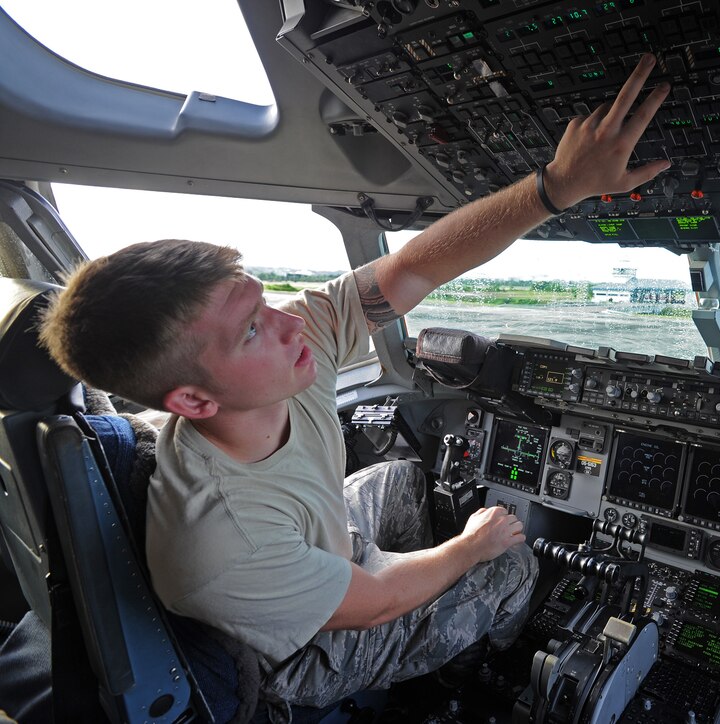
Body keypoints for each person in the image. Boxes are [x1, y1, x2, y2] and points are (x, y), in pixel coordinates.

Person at [37, 55, 672, 713]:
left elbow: (409, 271)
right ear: (193, 402)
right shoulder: (222, 545)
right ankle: (483, 672)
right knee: (509, 568)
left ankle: (456, 618)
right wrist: (471, 546)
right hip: (300, 650)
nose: (289, 325)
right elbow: (375, 603)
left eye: (264, 301)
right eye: (252, 330)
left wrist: (555, 188)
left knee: (403, 481)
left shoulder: (283, 351)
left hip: (324, 547)